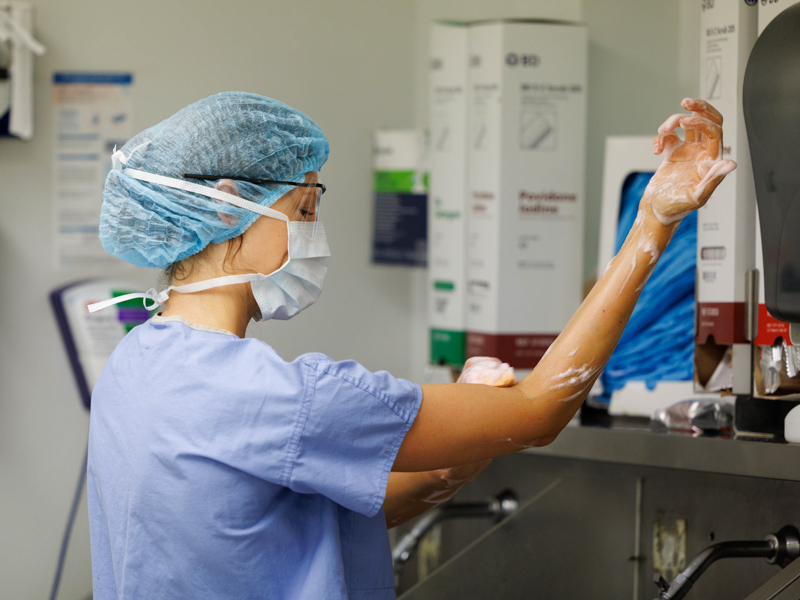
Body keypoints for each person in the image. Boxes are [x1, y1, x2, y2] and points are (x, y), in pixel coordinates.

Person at [86, 92, 735, 599]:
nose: (314, 231)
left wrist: (455, 455)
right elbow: (542, 408)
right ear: (229, 208)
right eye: (305, 207)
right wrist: (654, 220)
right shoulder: (279, 399)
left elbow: (306, 528)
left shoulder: (135, 367)